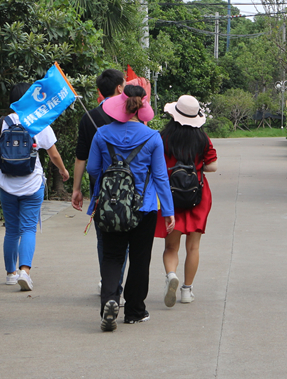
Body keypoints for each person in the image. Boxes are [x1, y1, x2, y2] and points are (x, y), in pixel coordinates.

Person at [87, 83, 174, 331]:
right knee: (139, 259)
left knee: (112, 256)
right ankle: (135, 311)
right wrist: (168, 211)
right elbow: (160, 177)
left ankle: (110, 300)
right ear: (141, 107)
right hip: (144, 207)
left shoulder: (101, 134)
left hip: (110, 206)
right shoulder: (153, 137)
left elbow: (92, 169)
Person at [0, 82, 70, 291]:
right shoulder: (38, 121)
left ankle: (10, 274)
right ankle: (24, 271)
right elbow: (53, 154)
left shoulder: (1, 122)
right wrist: (63, 170)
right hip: (32, 184)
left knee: (11, 230)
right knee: (28, 228)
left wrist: (9, 163)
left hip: (7, 184)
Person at [156, 95, 218, 307]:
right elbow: (213, 166)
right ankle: (186, 290)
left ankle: (171, 275)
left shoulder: (163, 137)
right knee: (193, 247)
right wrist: (196, 167)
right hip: (197, 195)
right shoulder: (202, 139)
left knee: (171, 247)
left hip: (170, 195)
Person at [71, 68, 124, 294]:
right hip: (129, 188)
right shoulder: (131, 115)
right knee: (124, 237)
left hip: (100, 188)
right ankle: (116, 283)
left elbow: (81, 157)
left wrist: (76, 188)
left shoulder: (89, 117)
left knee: (103, 237)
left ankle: (108, 282)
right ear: (119, 88)